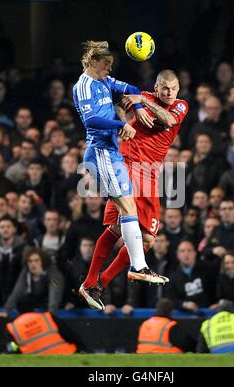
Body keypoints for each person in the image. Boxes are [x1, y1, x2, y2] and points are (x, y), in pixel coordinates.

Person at [77, 68, 188, 309]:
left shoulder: (180, 106)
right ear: (156, 87)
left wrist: (143, 100)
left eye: (173, 89)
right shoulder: (141, 97)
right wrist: (125, 121)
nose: (169, 92)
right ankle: (100, 278)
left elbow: (168, 121)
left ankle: (97, 283)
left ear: (178, 90)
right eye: (164, 88)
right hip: (127, 164)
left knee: (147, 239)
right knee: (118, 227)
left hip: (149, 174)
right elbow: (116, 106)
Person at [6, 311, 85, 354]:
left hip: (34, 360)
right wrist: (84, 348)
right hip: (65, 353)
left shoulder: (13, 327)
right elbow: (70, 334)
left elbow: (13, 348)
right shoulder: (47, 317)